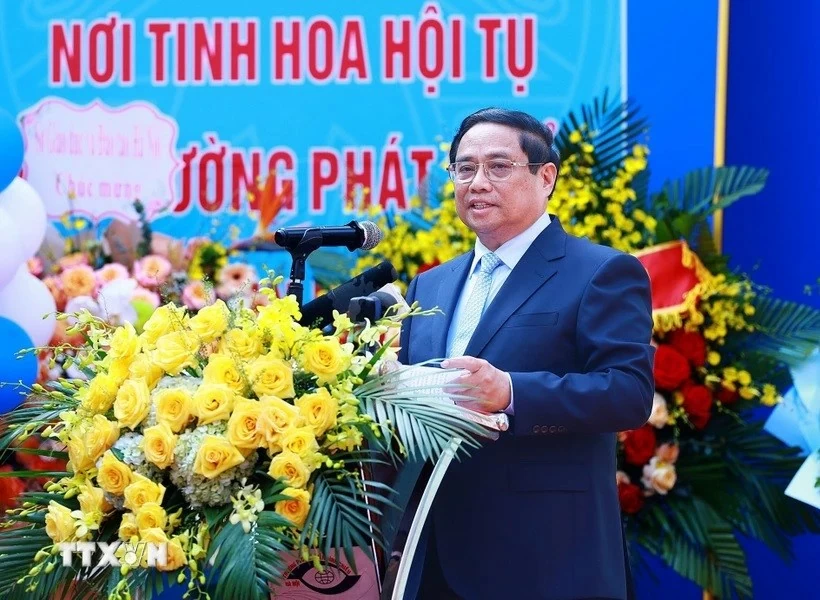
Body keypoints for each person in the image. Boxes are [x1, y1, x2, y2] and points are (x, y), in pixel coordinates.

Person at [396, 107, 655, 599]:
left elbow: (628, 392)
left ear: (546, 176)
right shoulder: (429, 285)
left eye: (498, 166)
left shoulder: (600, 272)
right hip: (436, 557)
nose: (477, 182)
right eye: (464, 168)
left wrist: (511, 391)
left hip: (547, 558)